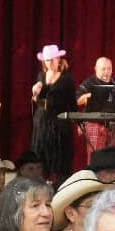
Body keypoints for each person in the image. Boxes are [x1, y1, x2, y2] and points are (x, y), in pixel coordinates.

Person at [29, 45, 76, 180]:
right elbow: (37, 99)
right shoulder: (41, 76)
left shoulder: (67, 78)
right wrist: (35, 93)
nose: (50, 63)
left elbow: (71, 102)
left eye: (52, 60)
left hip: (59, 124)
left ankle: (61, 187)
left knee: (60, 159)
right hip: (42, 123)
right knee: (42, 157)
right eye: (47, 60)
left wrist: (78, 122)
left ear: (59, 59)